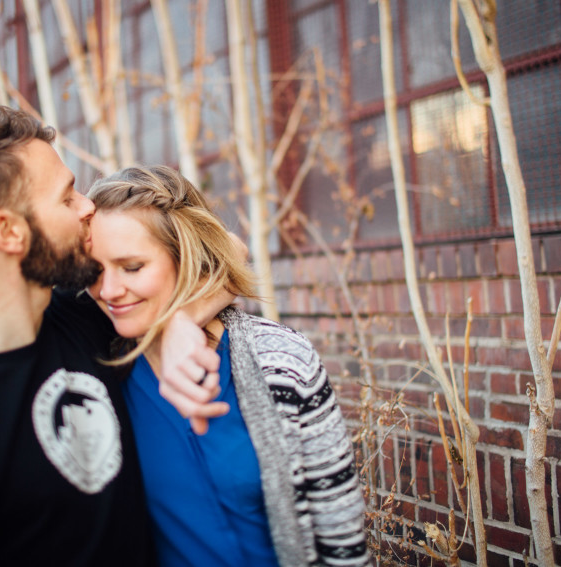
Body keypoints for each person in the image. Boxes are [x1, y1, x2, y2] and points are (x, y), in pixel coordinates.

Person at [0, 106, 228, 566]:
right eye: (67, 197)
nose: (88, 206)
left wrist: (180, 325)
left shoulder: (80, 320)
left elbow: (227, 257)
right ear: (9, 231)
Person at [85, 165, 370, 567]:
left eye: (132, 267)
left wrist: (181, 318)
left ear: (184, 258)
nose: (110, 290)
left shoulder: (281, 358)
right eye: (94, 271)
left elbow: (341, 532)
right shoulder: (93, 363)